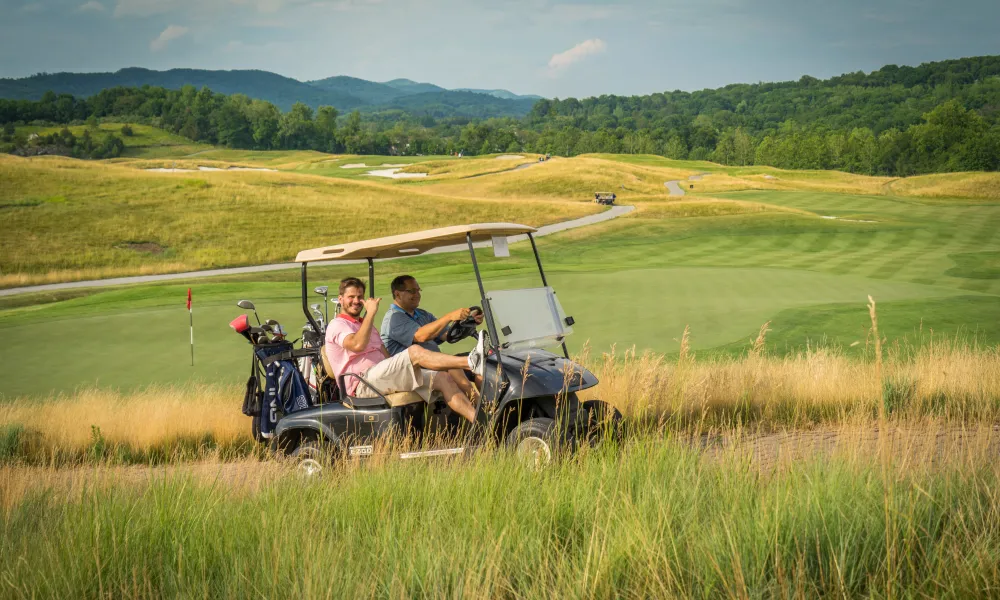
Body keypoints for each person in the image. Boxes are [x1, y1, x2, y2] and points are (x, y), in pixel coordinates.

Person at [326, 277, 485, 423]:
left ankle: (482, 424)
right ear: (340, 299)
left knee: (444, 378)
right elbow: (357, 345)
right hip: (361, 383)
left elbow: (385, 355)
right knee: (415, 351)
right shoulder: (337, 325)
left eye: (359, 297)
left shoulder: (366, 326)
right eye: (351, 297)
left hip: (380, 376)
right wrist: (371, 313)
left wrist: (468, 322)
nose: (356, 301)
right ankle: (470, 362)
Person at [380, 275, 484, 399]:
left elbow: (447, 335)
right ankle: (480, 409)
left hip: (433, 364)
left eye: (418, 290)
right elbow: (420, 336)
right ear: (397, 294)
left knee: (482, 369)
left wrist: (469, 323)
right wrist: (449, 317)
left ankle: (494, 407)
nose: (417, 294)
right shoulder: (394, 318)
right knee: (453, 366)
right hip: (411, 371)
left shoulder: (422, 314)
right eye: (412, 291)